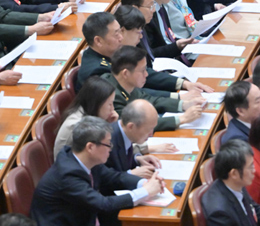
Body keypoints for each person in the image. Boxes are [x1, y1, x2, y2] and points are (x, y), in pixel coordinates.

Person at [31, 116, 164, 226]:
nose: (110, 149)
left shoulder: (87, 160)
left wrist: (143, 183)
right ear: (90, 147)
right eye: (108, 144)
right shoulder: (67, 175)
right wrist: (145, 192)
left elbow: (113, 177)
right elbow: (103, 204)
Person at [54, 76, 117, 156]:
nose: (112, 109)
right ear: (97, 103)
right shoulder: (76, 126)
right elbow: (104, 153)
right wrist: (111, 127)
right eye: (110, 104)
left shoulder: (87, 113)